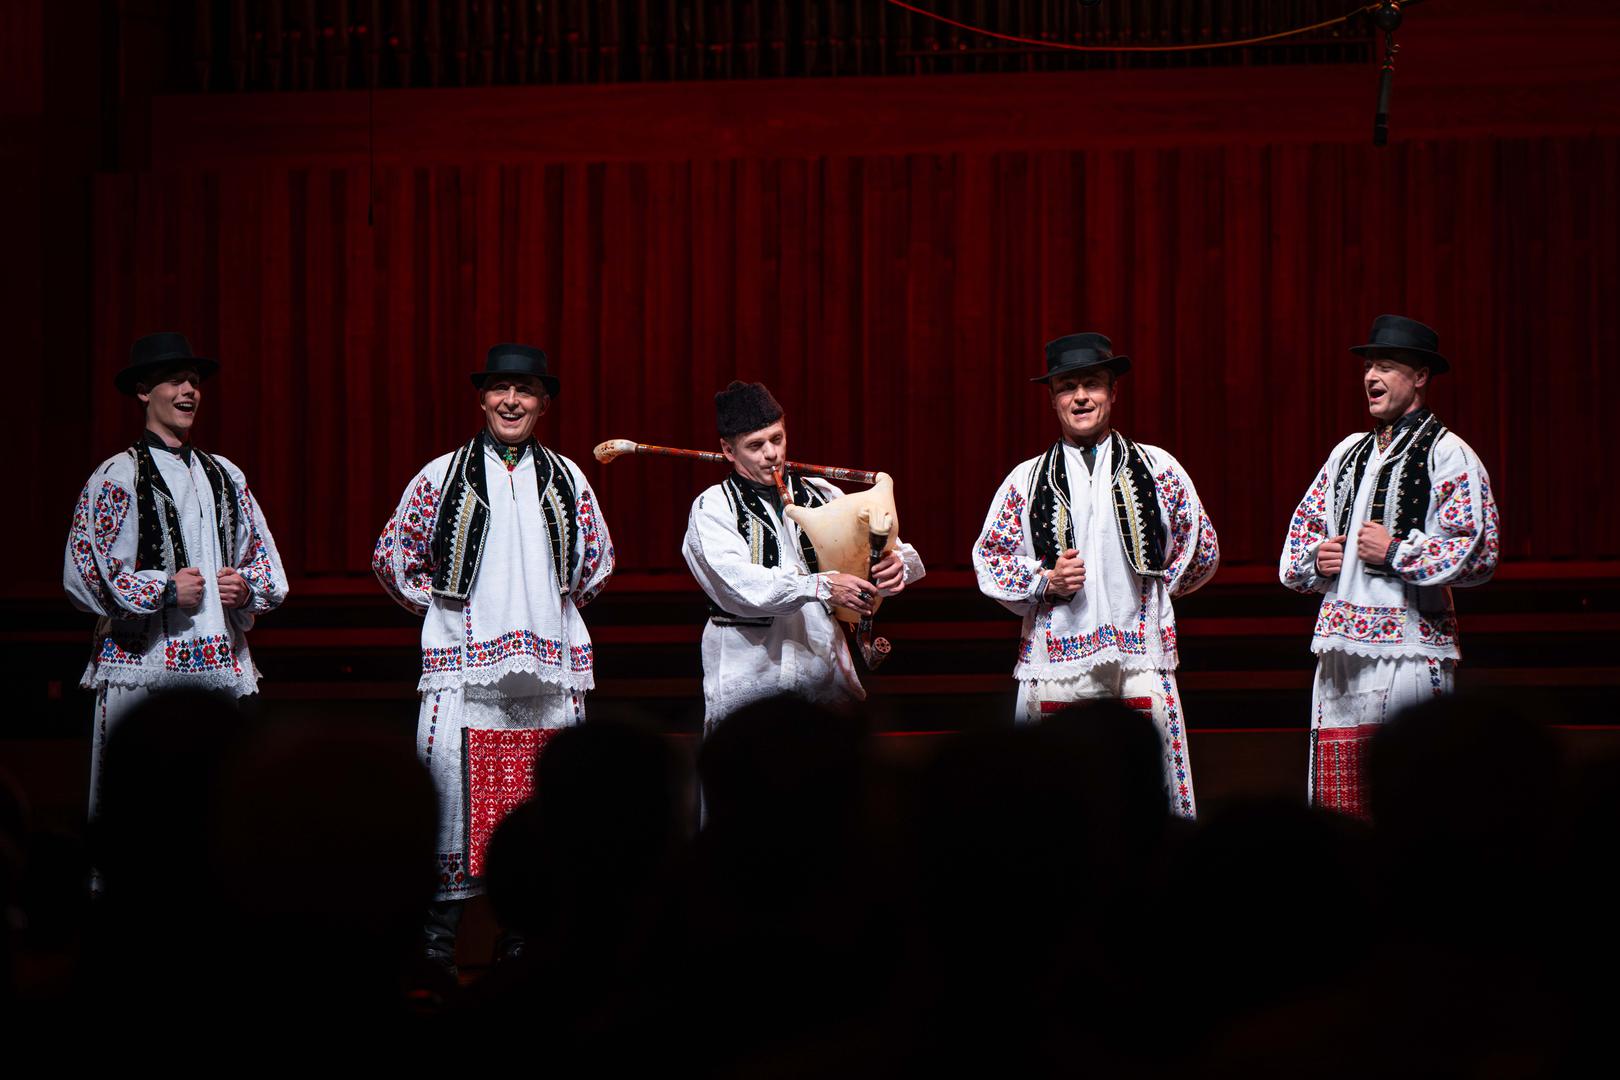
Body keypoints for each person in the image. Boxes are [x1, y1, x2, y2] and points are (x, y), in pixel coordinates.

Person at [373, 343, 614, 968]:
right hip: (464, 671)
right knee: (452, 804)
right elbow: (392, 557)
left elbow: (599, 561)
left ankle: (523, 956)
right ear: (482, 398)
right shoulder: (441, 476)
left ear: (543, 404)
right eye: (502, 389)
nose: (512, 401)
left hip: (546, 673)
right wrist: (446, 610)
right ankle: (433, 959)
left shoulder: (567, 478)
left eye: (526, 391)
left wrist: (548, 615)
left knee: (537, 810)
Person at [971, 333, 1218, 818]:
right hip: (1057, 661)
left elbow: (1201, 546)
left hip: (1139, 658)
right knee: (1056, 796)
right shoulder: (1026, 480)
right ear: (1052, 398)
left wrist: (1155, 596)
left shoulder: (1156, 467)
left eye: (1092, 384)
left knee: (1144, 795)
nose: (1080, 396)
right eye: (1068, 386)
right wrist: (1044, 581)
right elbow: (990, 558)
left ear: (1112, 392)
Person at [64, 331, 288, 827]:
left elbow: (266, 561)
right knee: (142, 799)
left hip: (216, 663)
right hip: (144, 664)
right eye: (174, 380)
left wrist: (246, 587)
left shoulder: (226, 474)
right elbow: (85, 572)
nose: (188, 390)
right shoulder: (117, 476)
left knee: (211, 796)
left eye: (193, 381)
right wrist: (163, 590)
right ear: (144, 390)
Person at [1279, 315, 1499, 817]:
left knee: (1411, 787)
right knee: (1341, 794)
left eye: (1386, 366)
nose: (1370, 377)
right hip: (1340, 648)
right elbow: (1296, 546)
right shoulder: (1345, 455)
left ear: (1419, 376)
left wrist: (1397, 552)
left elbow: (1479, 550)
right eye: (1368, 366)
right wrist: (1318, 557)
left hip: (1409, 647)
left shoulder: (1448, 455)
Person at [682, 381, 924, 731]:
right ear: (728, 450)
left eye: (777, 439)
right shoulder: (713, 507)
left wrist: (892, 567)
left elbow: (872, 555)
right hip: (750, 669)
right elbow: (733, 584)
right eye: (755, 445)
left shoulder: (823, 494)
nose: (771, 454)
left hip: (821, 666)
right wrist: (819, 586)